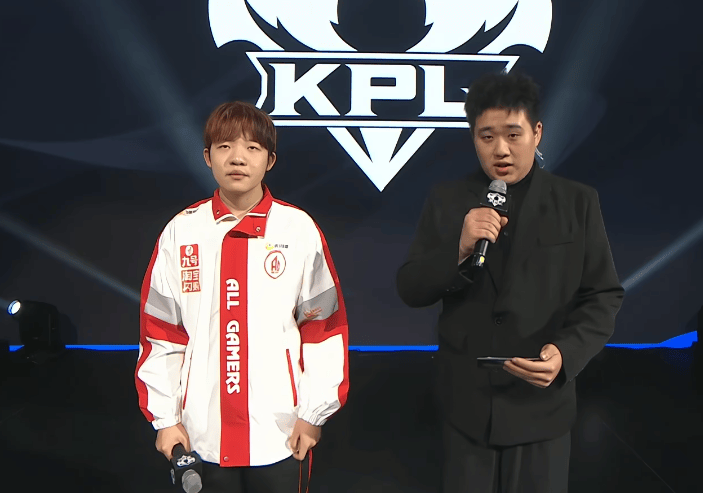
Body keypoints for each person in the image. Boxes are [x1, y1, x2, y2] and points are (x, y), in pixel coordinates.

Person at [396, 71, 624, 492]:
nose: (500, 149)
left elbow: (603, 295)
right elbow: (410, 287)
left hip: (541, 406)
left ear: (537, 133)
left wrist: (566, 354)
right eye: (487, 137)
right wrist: (460, 249)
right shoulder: (447, 199)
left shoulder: (577, 201)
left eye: (513, 134)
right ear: (473, 138)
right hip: (465, 408)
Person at [135, 101, 349, 493]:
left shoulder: (298, 229)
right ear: (207, 157)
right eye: (225, 146)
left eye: (252, 147)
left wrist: (313, 414)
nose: (238, 158)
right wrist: (165, 419)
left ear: (270, 160)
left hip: (280, 433)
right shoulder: (181, 232)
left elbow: (323, 329)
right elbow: (161, 334)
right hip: (201, 435)